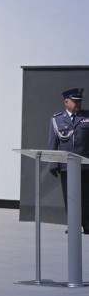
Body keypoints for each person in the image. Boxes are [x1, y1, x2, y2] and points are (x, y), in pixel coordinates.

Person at [48, 87, 89, 235]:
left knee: (86, 196)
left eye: (80, 101)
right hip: (67, 166)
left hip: (85, 165)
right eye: (75, 101)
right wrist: (53, 164)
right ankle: (73, 225)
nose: (78, 104)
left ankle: (87, 224)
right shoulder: (57, 119)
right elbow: (53, 143)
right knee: (70, 197)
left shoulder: (87, 116)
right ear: (66, 102)